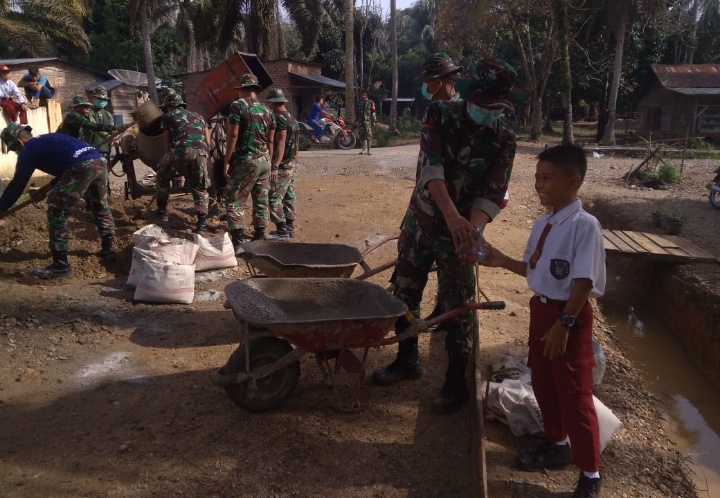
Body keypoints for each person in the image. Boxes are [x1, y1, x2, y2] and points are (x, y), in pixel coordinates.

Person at [371, 58, 518, 414]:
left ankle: (455, 380)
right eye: (484, 106)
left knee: (459, 305)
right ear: (469, 98)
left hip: (462, 234)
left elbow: (492, 190)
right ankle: (407, 360)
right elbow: (431, 169)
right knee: (405, 292)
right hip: (422, 221)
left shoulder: (504, 138)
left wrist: (474, 230)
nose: (490, 113)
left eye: (496, 108)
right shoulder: (440, 116)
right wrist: (452, 218)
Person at [480, 143, 606, 498]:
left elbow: (583, 281)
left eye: (547, 179)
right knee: (544, 382)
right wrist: (501, 260)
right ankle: (557, 444)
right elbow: (535, 270)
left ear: (574, 182)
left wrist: (564, 324)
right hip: (542, 311)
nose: (539, 185)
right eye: (537, 178)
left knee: (575, 393)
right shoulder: (544, 224)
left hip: (570, 316)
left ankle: (591, 474)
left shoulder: (585, 226)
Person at [0, 124, 116, 278]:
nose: (16, 152)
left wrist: (2, 208)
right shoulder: (48, 139)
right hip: (99, 161)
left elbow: (17, 184)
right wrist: (45, 188)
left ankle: (60, 266)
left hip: (81, 166)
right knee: (99, 204)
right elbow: (66, 168)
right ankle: (108, 249)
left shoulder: (28, 150)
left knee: (57, 211)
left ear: (19, 143)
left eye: (14, 149)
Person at [223, 73, 275, 248]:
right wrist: (270, 160)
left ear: (243, 89)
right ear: (256, 90)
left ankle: (237, 240)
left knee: (234, 199)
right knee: (261, 198)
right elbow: (270, 140)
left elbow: (233, 134)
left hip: (247, 160)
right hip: (264, 160)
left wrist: (227, 160)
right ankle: (259, 236)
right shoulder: (268, 110)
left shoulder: (238, 106)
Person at [153, 93, 211, 233]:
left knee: (161, 176)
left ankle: (161, 212)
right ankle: (201, 223)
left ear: (170, 106)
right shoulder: (200, 117)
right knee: (199, 186)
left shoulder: (168, 116)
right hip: (201, 152)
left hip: (180, 150)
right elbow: (208, 142)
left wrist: (169, 162)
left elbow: (167, 142)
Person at [265, 88, 299, 240]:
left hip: (284, 164)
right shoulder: (292, 118)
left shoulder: (279, 118)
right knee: (288, 194)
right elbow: (296, 144)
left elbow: (280, 142)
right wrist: (295, 160)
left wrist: (275, 165)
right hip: (292, 162)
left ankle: (281, 230)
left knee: (274, 196)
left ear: (273, 102)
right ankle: (290, 227)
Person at [88, 87, 115, 160]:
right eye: (100, 99)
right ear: (94, 98)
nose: (103, 101)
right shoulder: (89, 112)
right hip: (92, 145)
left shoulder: (108, 114)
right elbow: (93, 126)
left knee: (106, 167)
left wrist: (115, 135)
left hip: (106, 147)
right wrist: (106, 135)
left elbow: (112, 127)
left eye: (104, 100)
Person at [356, 90, 378, 155]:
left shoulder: (371, 102)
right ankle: (363, 150)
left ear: (367, 95)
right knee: (361, 135)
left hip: (368, 121)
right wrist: (356, 121)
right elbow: (357, 113)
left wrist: (374, 121)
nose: (364, 96)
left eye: (365, 95)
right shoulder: (359, 103)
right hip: (360, 121)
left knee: (369, 135)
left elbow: (373, 112)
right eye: (362, 95)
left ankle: (368, 151)